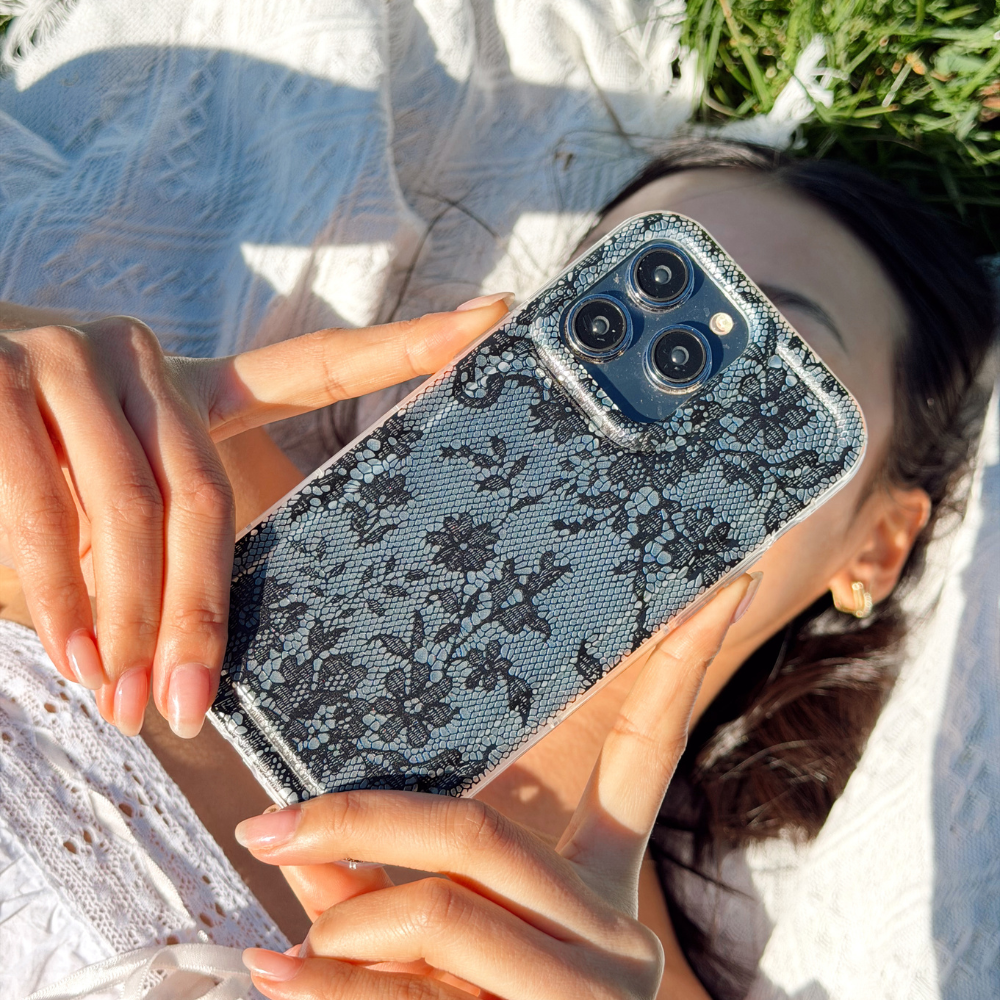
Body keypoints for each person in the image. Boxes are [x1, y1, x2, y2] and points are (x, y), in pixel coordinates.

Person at [0, 140, 995, 999]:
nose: (656, 375)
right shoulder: (147, 479)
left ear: (878, 545)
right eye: (601, 302)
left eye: (767, 357)